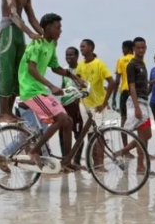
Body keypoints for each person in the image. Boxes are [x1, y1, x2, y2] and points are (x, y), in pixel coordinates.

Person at [10, 13, 83, 171]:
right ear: (48, 28)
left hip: (40, 90)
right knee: (60, 118)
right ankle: (34, 150)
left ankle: (67, 161)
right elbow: (32, 69)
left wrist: (76, 78)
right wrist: (52, 86)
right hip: (30, 91)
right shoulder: (37, 44)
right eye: (58, 28)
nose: (60, 31)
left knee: (68, 121)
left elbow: (55, 68)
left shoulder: (51, 46)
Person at [0, 0, 44, 123]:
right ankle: (2, 112)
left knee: (19, 72)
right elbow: (13, 14)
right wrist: (30, 33)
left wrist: (44, 34)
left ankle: (9, 112)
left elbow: (32, 17)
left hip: (19, 32)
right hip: (8, 31)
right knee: (7, 71)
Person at [75, 39, 117, 168]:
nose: (81, 48)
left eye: (84, 46)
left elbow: (112, 83)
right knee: (89, 133)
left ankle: (101, 164)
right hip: (84, 104)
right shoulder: (80, 65)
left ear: (91, 48)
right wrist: (79, 87)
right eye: (80, 47)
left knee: (98, 134)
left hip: (98, 105)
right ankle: (95, 164)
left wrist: (105, 102)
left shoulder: (99, 64)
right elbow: (77, 80)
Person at [121, 37, 154, 174]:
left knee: (147, 135)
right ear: (133, 48)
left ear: (146, 48)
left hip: (144, 102)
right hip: (137, 102)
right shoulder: (132, 64)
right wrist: (136, 107)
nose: (141, 50)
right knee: (142, 134)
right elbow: (132, 86)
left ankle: (122, 151)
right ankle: (140, 167)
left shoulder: (142, 63)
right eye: (138, 47)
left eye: (143, 47)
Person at [59, 47, 85, 166]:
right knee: (62, 133)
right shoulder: (64, 70)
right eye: (67, 55)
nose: (68, 57)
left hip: (77, 105)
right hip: (65, 105)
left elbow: (84, 85)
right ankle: (64, 159)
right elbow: (63, 85)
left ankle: (77, 161)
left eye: (71, 55)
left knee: (78, 134)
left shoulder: (81, 68)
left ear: (77, 56)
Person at [111, 40, 135, 126]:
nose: (122, 51)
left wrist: (114, 98)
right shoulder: (139, 59)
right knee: (136, 117)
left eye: (123, 48)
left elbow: (117, 81)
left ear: (127, 48)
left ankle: (124, 135)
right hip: (137, 91)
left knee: (124, 117)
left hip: (125, 91)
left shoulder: (121, 60)